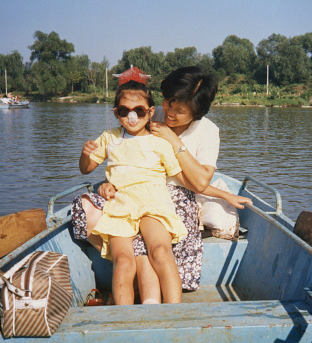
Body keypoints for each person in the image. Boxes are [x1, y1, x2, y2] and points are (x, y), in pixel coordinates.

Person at [72, 66, 251, 304]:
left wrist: (173, 139)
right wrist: (108, 183)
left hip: (167, 199)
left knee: (155, 250)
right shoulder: (143, 115)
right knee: (85, 210)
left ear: (196, 113)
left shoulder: (205, 131)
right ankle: (134, 296)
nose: (169, 113)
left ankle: (154, 301)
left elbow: (195, 182)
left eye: (179, 110)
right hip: (126, 198)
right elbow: (124, 157)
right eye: (168, 103)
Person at [78, 69, 194, 305]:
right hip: (121, 204)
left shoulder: (160, 141)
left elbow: (182, 177)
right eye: (124, 111)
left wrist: (218, 192)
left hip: (153, 203)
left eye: (139, 110)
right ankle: (124, 318)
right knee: (123, 260)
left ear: (150, 112)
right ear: (116, 113)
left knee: (160, 251)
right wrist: (84, 154)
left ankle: (175, 311)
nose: (132, 116)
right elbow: (86, 169)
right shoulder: (109, 138)